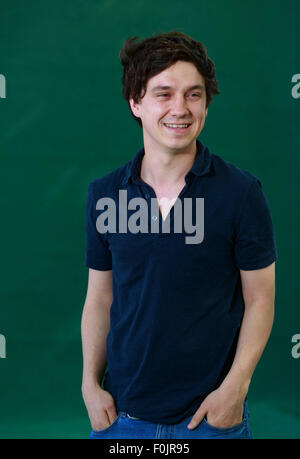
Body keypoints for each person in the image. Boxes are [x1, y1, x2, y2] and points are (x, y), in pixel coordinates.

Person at [81, 31, 277, 439]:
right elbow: (100, 298)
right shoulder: (105, 194)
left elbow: (260, 299)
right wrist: (89, 384)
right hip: (124, 417)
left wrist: (235, 390)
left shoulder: (240, 193)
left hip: (211, 419)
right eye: (163, 94)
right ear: (135, 103)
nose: (180, 109)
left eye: (193, 94)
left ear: (206, 102)